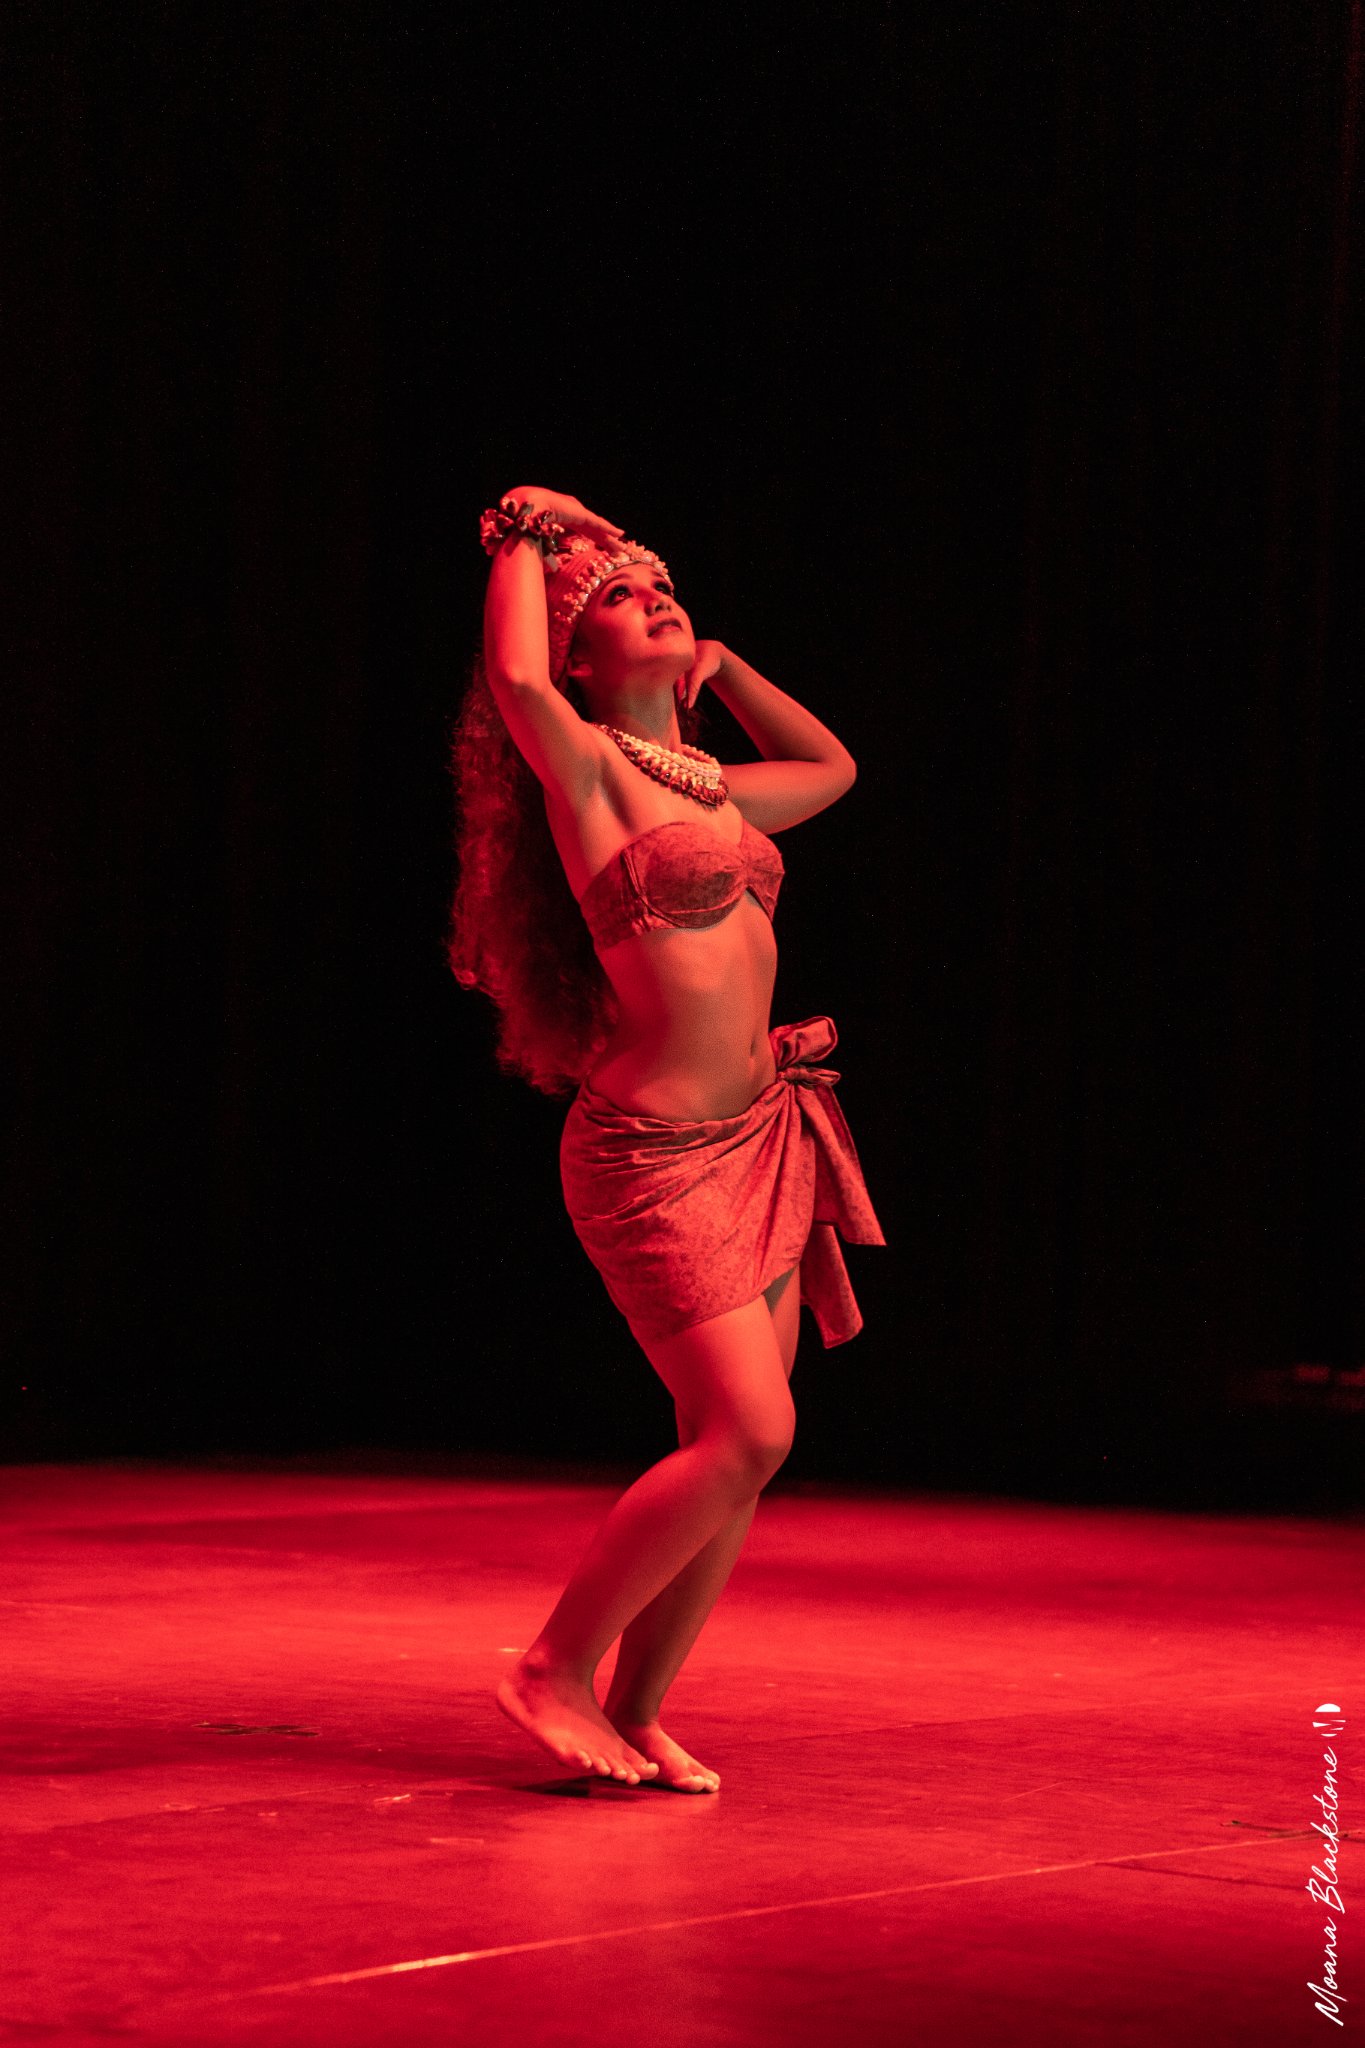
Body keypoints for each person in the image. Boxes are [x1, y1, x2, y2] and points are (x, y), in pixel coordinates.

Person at [450, 486, 885, 1792]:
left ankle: (637, 1704)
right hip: (652, 1155)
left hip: (759, 1134)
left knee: (740, 1449)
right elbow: (514, 674)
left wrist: (729, 667)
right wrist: (527, 535)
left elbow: (832, 771)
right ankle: (552, 1667)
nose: (655, 601)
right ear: (580, 659)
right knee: (748, 1430)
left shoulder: (721, 793)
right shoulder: (585, 773)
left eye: (665, 589)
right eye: (620, 598)